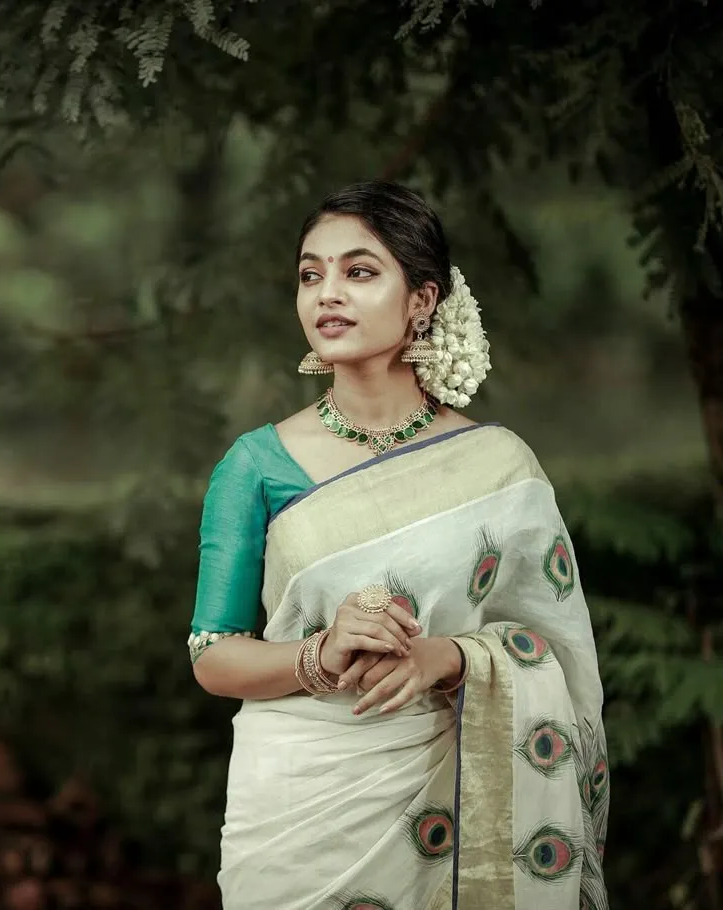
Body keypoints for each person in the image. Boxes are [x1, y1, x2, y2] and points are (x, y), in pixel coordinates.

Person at [189, 181, 609, 910]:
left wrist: (447, 658)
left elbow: (554, 644)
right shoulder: (255, 465)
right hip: (300, 807)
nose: (327, 294)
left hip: (453, 783)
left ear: (421, 300)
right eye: (310, 274)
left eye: (359, 271)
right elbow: (213, 655)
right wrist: (318, 654)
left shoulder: (498, 465)